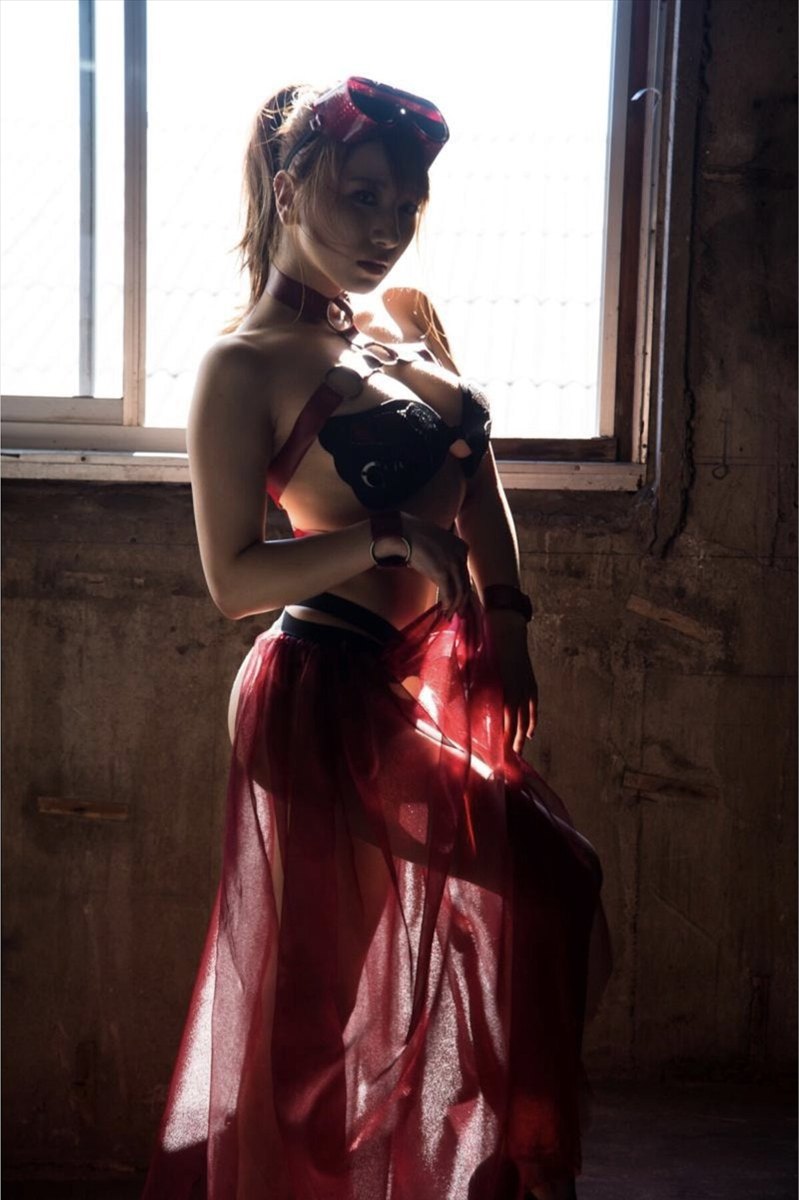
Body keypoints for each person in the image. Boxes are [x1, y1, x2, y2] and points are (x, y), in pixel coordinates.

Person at [142, 78, 613, 1200]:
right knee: (319, 1007)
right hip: (321, 693)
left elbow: (475, 477)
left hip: (415, 686)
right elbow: (232, 579)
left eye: (406, 205)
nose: (388, 228)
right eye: (362, 197)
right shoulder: (242, 366)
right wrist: (386, 537)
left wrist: (508, 621)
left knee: (547, 885)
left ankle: (482, 1169)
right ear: (288, 189)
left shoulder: (400, 323)